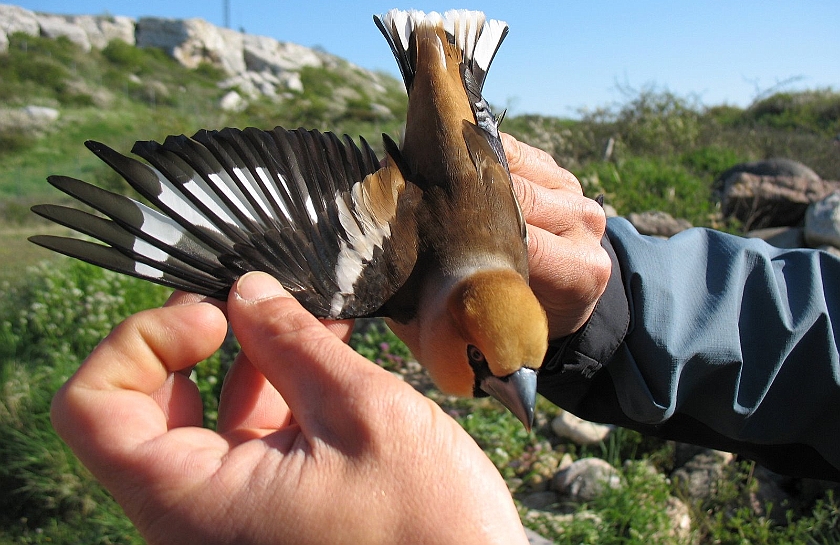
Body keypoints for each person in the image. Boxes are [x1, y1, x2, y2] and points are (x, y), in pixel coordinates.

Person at [50, 135, 840, 544]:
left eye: (501, 374)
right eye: (497, 368)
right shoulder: (392, 284)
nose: (504, 389)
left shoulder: (394, 289)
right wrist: (608, 311)